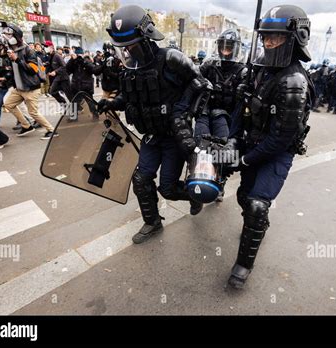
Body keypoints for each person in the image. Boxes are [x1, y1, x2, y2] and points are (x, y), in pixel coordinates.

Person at [97, 5, 208, 244]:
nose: (126, 52)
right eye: (122, 48)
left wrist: (181, 112)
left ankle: (195, 195)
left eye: (131, 45)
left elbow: (200, 83)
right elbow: (130, 97)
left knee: (167, 188)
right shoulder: (128, 69)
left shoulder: (170, 58)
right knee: (141, 180)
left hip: (173, 136)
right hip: (150, 136)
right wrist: (110, 103)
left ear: (146, 39)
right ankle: (152, 222)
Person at [223, 4, 314, 289]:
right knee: (243, 196)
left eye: (276, 37)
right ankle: (257, 224)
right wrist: (232, 140)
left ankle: (243, 265)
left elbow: (281, 139)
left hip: (275, 152)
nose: (269, 43)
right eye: (266, 37)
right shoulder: (259, 69)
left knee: (257, 205)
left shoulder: (294, 81)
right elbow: (242, 108)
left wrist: (246, 160)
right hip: (252, 143)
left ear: (295, 37)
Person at [196, 28, 247, 201]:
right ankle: (196, 178)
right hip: (206, 111)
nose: (226, 50)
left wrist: (245, 90)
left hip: (228, 117)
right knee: (199, 144)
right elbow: (193, 78)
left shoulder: (243, 72)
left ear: (236, 48)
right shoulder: (209, 65)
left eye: (230, 46)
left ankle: (221, 179)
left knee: (223, 152)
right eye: (223, 46)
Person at [0, 22, 57, 139]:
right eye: (4, 34)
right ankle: (26, 126)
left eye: (8, 34)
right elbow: (14, 70)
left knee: (33, 113)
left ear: (16, 36)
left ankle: (52, 130)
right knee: (8, 104)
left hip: (31, 88)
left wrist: (17, 59)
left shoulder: (28, 50)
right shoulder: (12, 51)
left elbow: (33, 70)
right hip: (19, 88)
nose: (6, 36)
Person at [45, 40, 72, 112]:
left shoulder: (57, 56)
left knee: (69, 95)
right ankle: (64, 105)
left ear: (51, 47)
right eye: (44, 47)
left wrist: (55, 71)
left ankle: (78, 108)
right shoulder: (49, 56)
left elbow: (64, 66)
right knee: (52, 91)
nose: (45, 48)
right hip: (57, 78)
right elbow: (49, 66)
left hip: (64, 78)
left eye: (46, 46)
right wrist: (47, 72)